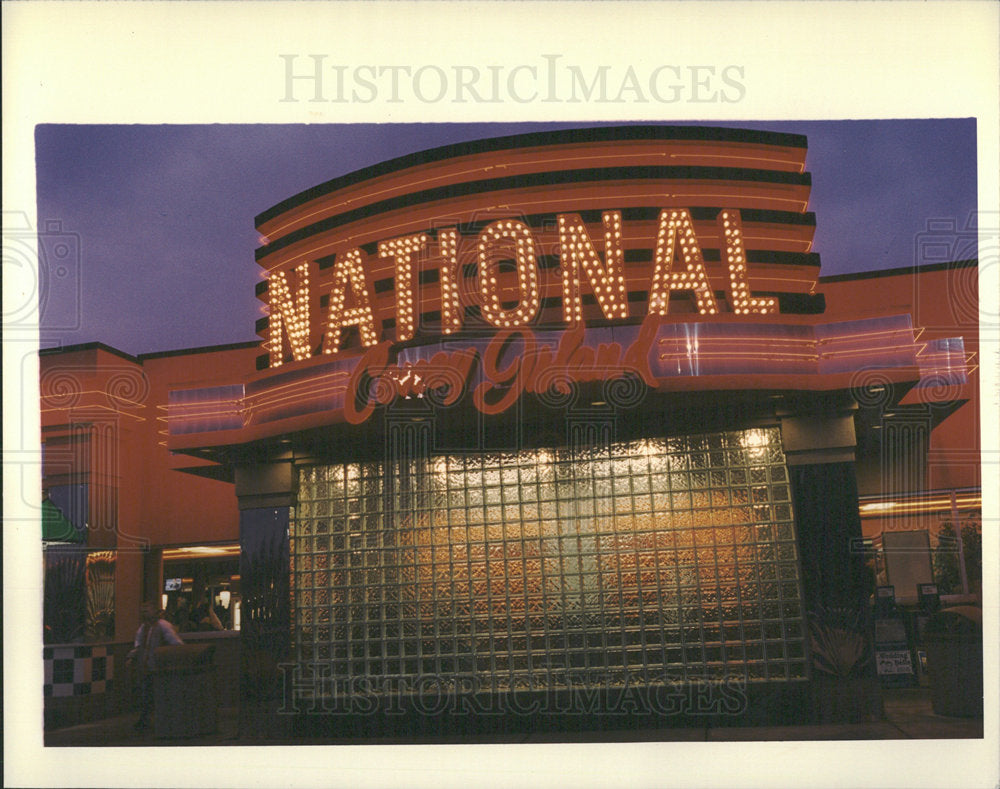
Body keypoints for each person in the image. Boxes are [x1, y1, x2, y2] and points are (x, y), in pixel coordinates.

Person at [126, 601, 183, 731]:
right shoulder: (144, 628)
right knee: (147, 693)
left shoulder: (163, 626)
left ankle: (160, 720)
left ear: (154, 611)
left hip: (160, 666)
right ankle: (148, 719)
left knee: (159, 693)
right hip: (147, 666)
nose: (144, 613)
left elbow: (176, 643)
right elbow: (138, 645)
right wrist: (131, 657)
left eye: (147, 610)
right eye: (143, 610)